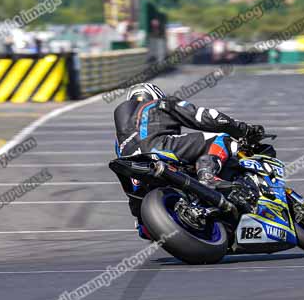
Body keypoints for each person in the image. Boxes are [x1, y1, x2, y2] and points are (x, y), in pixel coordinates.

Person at [113, 82, 265, 239]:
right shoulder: (162, 103)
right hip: (159, 149)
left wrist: (143, 218)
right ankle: (208, 176)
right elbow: (206, 117)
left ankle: (143, 222)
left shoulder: (119, 140)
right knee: (222, 139)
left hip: (138, 184)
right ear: (155, 95)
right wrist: (243, 129)